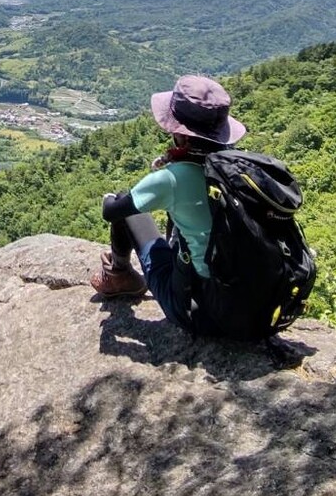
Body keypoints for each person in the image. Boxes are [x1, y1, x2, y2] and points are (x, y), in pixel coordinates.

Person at [90, 74, 248, 335]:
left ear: (182, 136)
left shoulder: (175, 178)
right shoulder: (240, 167)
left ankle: (120, 277)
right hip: (253, 306)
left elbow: (112, 212)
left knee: (121, 200)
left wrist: (108, 199)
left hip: (201, 312)